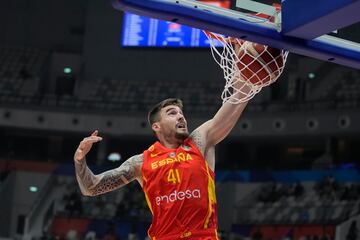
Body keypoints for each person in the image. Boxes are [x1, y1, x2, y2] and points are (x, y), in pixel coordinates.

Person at [74, 72, 253, 239]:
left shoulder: (199, 143)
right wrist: (79, 159)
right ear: (156, 126)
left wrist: (248, 75)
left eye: (181, 113)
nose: (181, 117)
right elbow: (91, 188)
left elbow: (236, 101)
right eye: (172, 113)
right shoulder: (141, 162)